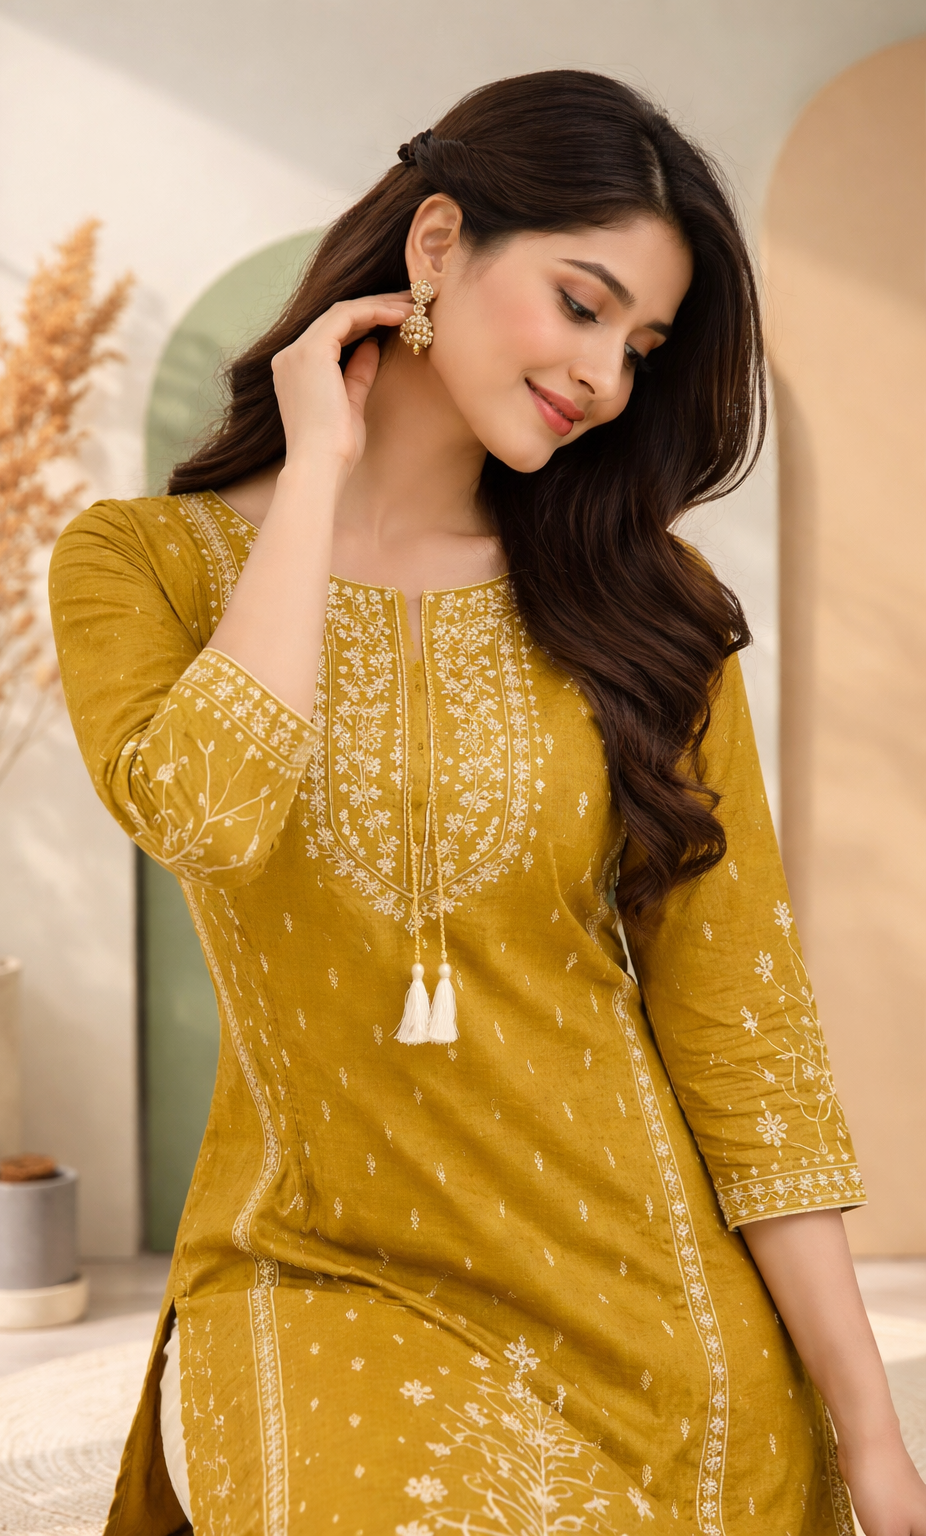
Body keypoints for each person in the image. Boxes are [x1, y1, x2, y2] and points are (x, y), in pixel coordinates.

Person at [50, 69, 926, 1536]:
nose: (606, 377)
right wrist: (317, 469)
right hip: (321, 1268)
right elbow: (203, 813)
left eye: (641, 346)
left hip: (646, 1297)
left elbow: (741, 1029)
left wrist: (874, 1436)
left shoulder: (648, 612)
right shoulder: (145, 568)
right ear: (439, 244)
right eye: (583, 307)